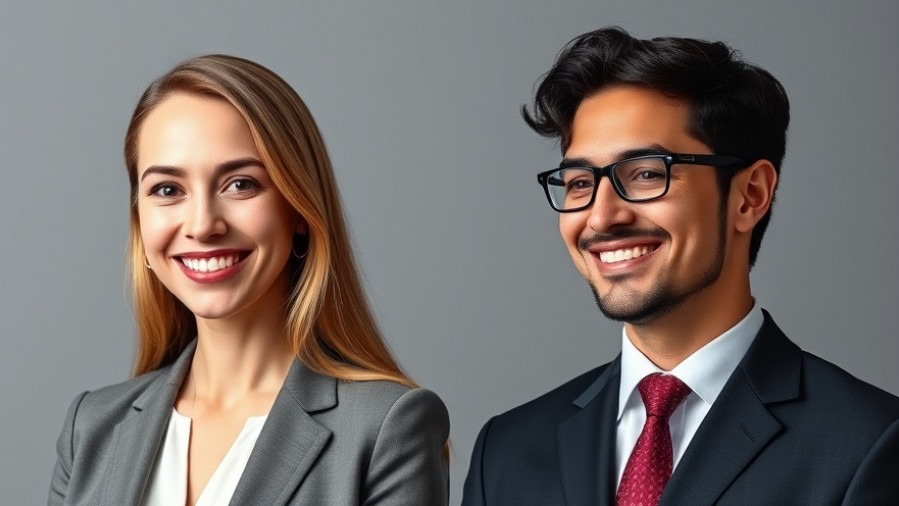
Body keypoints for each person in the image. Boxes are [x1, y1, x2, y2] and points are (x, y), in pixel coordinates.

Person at [462, 27, 899, 505]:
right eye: (579, 183)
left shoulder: (869, 443)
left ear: (750, 195)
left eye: (647, 173)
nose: (603, 217)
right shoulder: (506, 452)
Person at [48, 54, 449, 506]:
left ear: (299, 208)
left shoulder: (384, 429)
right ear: (139, 219)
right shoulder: (91, 428)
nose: (202, 224)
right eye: (167, 190)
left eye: (240, 184)